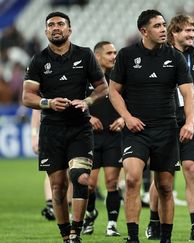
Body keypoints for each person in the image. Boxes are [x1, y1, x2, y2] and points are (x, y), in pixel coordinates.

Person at [108, 9, 194, 243]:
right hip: (136, 130)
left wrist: (189, 122)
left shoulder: (175, 57)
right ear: (144, 31)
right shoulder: (127, 55)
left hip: (166, 130)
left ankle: (165, 238)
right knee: (133, 179)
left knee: (165, 187)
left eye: (163, 25)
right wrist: (127, 117)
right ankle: (134, 237)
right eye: (157, 26)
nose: (162, 30)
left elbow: (188, 93)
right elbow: (113, 91)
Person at [22, 11, 108, 243]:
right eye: (51, 25)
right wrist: (48, 103)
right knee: (58, 187)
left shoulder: (85, 55)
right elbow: (27, 97)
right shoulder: (39, 60)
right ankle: (65, 235)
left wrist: (88, 101)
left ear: (70, 30)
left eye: (61, 24)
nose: (56, 27)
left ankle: (76, 233)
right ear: (46, 31)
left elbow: (103, 87)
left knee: (80, 178)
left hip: (79, 128)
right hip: (52, 131)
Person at [145, 14, 194, 241]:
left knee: (192, 170)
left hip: (193, 125)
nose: (192, 35)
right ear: (173, 32)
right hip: (164, 124)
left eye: (193, 31)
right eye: (186, 31)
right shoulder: (158, 56)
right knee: (163, 176)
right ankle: (154, 222)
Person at [81, 41, 123, 237]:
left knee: (112, 182)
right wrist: (89, 117)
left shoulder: (120, 77)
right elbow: (75, 104)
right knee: (88, 184)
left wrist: (123, 119)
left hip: (114, 137)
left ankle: (112, 224)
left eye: (115, 52)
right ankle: (90, 213)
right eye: (109, 53)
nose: (114, 56)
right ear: (97, 56)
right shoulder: (85, 78)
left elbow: (132, 102)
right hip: (91, 138)